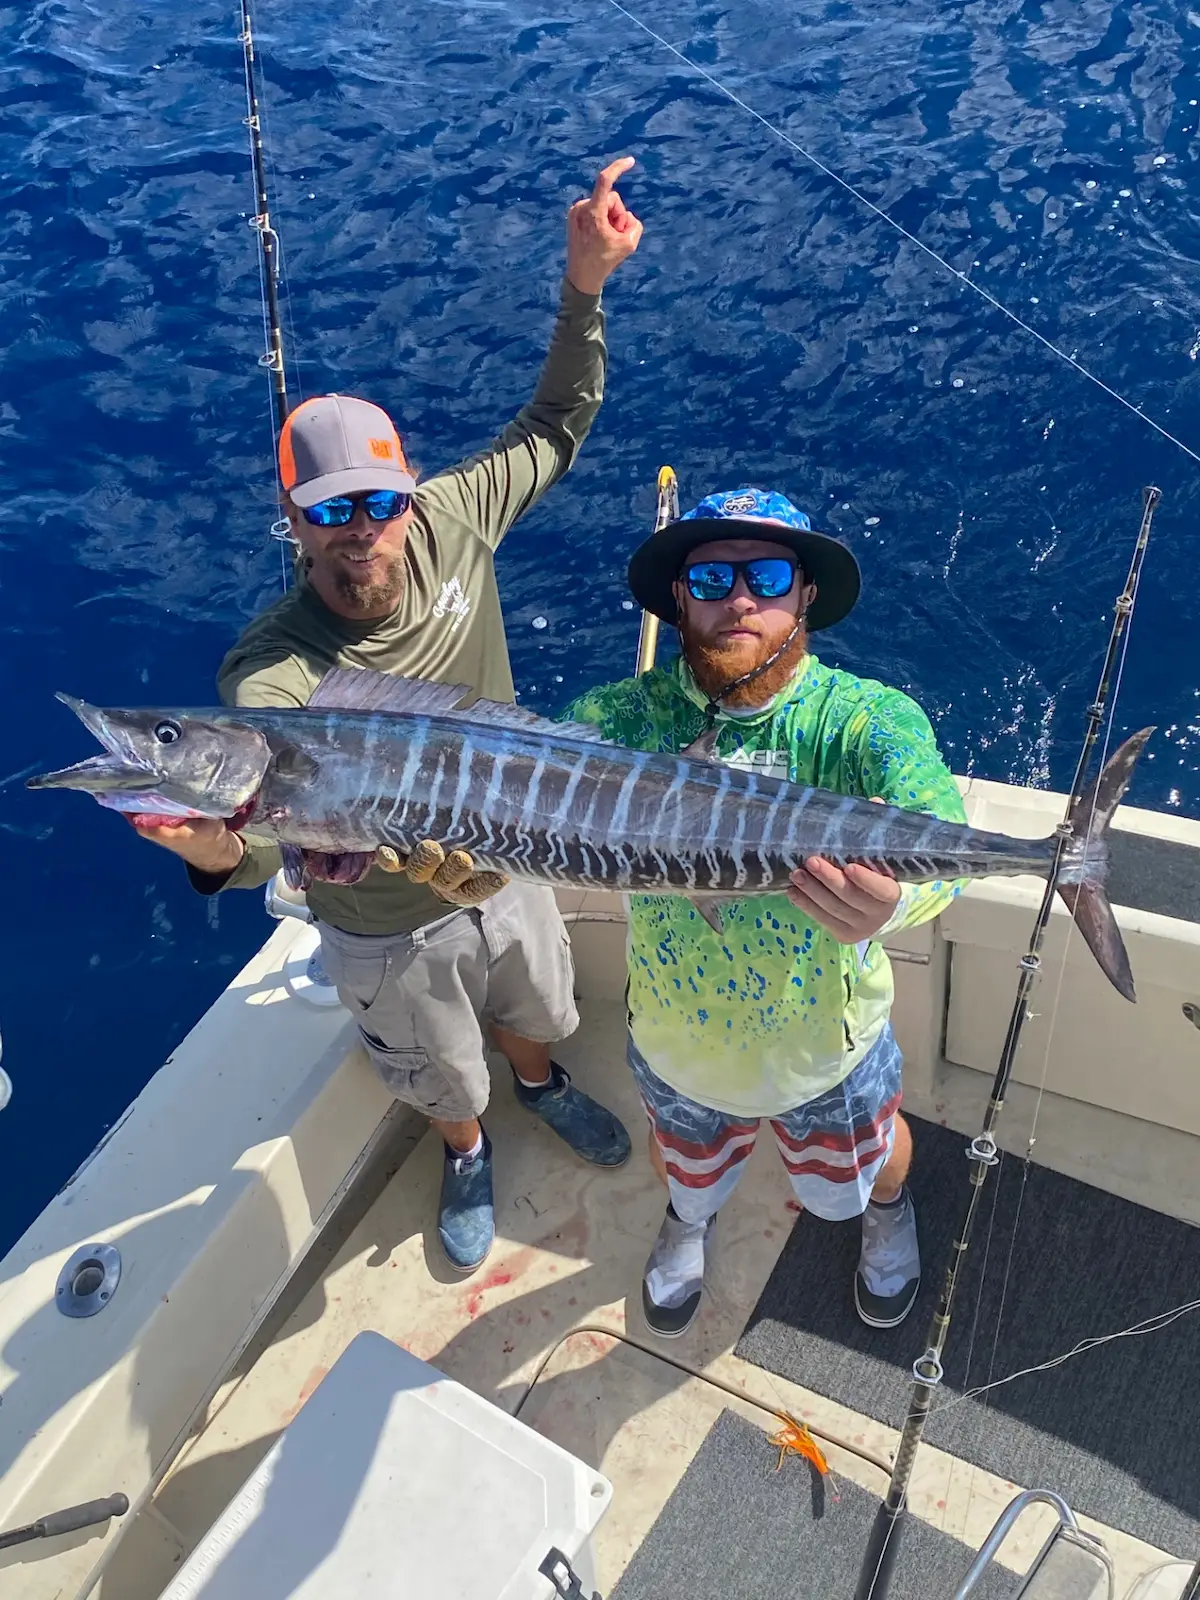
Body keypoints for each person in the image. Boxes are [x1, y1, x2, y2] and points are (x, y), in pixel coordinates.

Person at [131, 158, 645, 1276]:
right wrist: (217, 854)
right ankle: (465, 1149)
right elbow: (262, 811)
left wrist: (585, 284)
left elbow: (557, 419)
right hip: (384, 925)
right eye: (331, 513)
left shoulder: (454, 518)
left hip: (510, 857)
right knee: (437, 1070)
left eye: (377, 502)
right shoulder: (269, 672)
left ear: (408, 494)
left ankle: (543, 1082)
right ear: (296, 522)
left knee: (539, 1005)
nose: (361, 529)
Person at [563, 487, 968, 1337]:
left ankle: (885, 1209)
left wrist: (895, 904)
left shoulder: (865, 721)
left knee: (861, 1171)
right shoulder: (618, 718)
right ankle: (689, 1217)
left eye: (767, 575)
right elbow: (521, 808)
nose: (740, 600)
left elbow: (945, 837)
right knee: (686, 1166)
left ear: (804, 593)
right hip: (675, 1045)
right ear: (679, 597)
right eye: (711, 579)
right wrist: (461, 869)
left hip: (828, 1050)